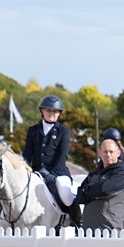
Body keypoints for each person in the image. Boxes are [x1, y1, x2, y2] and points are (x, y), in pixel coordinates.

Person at [22, 94, 81, 223]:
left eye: (55, 111)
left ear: (59, 113)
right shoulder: (33, 131)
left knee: (65, 195)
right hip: (36, 172)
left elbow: (62, 156)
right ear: (42, 111)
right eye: (48, 110)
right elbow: (27, 154)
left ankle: (77, 221)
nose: (51, 113)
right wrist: (23, 167)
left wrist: (52, 174)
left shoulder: (63, 132)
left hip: (58, 172)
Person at [76, 137, 124, 230]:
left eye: (111, 152)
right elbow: (79, 197)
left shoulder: (122, 173)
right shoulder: (94, 173)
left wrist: (89, 192)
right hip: (88, 230)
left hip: (109, 229)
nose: (108, 155)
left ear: (118, 153)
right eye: (105, 152)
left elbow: (105, 189)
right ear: (100, 153)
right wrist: (93, 194)